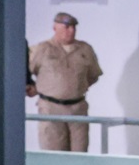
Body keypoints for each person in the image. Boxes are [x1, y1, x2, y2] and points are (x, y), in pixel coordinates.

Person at [27, 12, 101, 152]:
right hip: (51, 109)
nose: (71, 30)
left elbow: (93, 75)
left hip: (78, 109)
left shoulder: (85, 49)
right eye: (66, 27)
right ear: (55, 27)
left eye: (73, 27)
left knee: (80, 154)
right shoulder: (42, 49)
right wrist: (35, 87)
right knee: (54, 155)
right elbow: (25, 71)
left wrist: (74, 87)